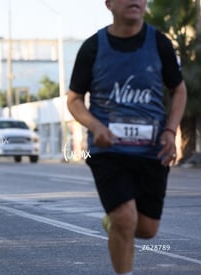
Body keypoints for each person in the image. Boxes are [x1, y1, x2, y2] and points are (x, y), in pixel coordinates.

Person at [66, 1, 187, 274]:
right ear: (109, 4)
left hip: (151, 150)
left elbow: (178, 90)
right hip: (108, 150)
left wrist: (170, 131)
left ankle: (114, 222)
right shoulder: (93, 47)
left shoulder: (160, 44)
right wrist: (96, 127)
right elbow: (74, 100)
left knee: (146, 229)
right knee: (125, 218)